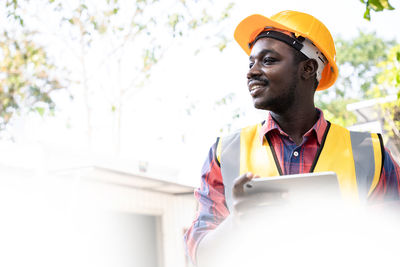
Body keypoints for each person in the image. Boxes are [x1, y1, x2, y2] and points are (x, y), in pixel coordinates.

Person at [184, 10, 400, 266]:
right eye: (250, 63)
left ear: (308, 68)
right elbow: (198, 255)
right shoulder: (225, 153)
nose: (252, 72)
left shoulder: (370, 153)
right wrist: (236, 222)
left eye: (268, 60)